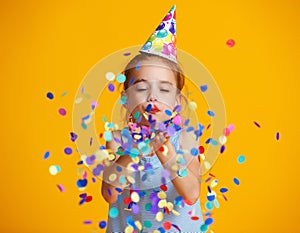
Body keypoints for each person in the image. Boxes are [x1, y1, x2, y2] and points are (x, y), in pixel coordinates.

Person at [101, 5, 204, 232]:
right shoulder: (118, 140)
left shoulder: (186, 138)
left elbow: (192, 193)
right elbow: (109, 194)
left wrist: (166, 151)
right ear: (126, 98)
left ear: (177, 101)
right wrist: (133, 152)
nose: (152, 97)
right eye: (141, 87)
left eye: (164, 89)